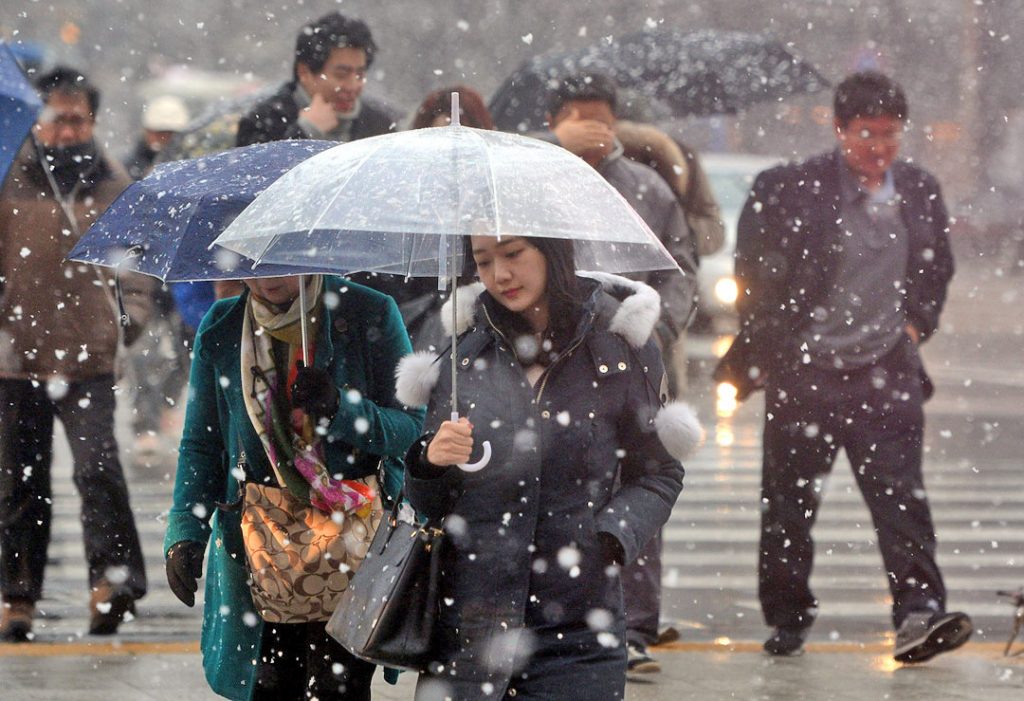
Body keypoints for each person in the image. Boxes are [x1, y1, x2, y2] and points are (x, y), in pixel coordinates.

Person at [715, 71, 971, 662]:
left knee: (901, 502)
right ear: (839, 129)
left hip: (886, 374)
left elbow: (937, 268)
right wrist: (780, 348)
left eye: (890, 134)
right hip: (806, 376)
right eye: (865, 133)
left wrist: (913, 328)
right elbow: (756, 272)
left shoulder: (918, 189)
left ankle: (918, 615)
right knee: (788, 505)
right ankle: (787, 616)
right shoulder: (792, 188)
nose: (879, 147)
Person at [394, 236, 689, 699]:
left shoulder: (620, 350)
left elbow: (659, 472)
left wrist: (609, 538)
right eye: (483, 261)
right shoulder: (462, 353)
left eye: (513, 254)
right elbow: (428, 504)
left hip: (577, 628)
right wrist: (429, 464)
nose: (500, 275)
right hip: (468, 629)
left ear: (552, 251)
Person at [163, 274, 424, 700]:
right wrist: (184, 532)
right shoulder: (223, 325)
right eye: (253, 263)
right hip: (259, 548)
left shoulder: (367, 311)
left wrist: (340, 408)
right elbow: (203, 443)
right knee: (270, 686)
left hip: (352, 544)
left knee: (338, 688)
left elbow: (409, 428)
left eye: (279, 263)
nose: (265, 279)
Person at [545, 73, 701, 673]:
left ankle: (635, 623)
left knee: (638, 482)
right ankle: (569, 616)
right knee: (563, 485)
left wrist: (659, 330)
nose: (592, 126)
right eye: (577, 115)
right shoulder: (540, 182)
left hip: (632, 357)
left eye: (601, 115)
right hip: (559, 361)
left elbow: (680, 264)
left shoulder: (645, 187)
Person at [0, 66, 152, 641]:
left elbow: (136, 271)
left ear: (92, 120)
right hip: (15, 359)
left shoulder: (113, 182)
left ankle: (111, 585)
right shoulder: (9, 179)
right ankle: (17, 597)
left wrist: (125, 324)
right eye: (57, 118)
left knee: (97, 472)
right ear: (38, 119)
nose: (67, 130)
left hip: (89, 360)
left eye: (77, 119)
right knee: (19, 482)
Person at [123, 95, 194, 465]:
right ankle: (145, 422)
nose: (163, 139)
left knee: (188, 353)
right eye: (159, 131)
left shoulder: (193, 167)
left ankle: (164, 405)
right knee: (143, 356)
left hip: (181, 278)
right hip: (141, 276)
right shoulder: (130, 169)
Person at [236, 11, 397, 147]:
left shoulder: (380, 126)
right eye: (341, 75)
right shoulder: (263, 122)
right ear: (305, 72)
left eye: (360, 75)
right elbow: (261, 179)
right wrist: (305, 131)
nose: (352, 86)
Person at [124, 94, 190, 180]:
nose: (163, 137)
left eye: (169, 133)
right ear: (146, 131)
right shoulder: (126, 167)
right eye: (159, 132)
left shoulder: (192, 164)